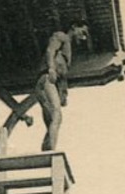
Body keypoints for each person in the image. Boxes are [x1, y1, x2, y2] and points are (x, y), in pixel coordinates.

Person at [36, 21, 90, 151]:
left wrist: (64, 93)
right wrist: (51, 69)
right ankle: (51, 150)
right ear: (74, 27)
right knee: (56, 114)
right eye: (82, 32)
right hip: (47, 79)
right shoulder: (62, 36)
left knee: (53, 120)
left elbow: (63, 75)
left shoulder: (68, 48)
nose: (83, 38)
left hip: (50, 83)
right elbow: (50, 50)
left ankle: (47, 148)